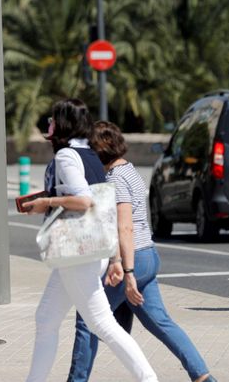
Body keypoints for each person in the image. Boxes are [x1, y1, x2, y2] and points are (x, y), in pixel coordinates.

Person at [67, 121, 215, 382]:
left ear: (99, 152)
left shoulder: (116, 179)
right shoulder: (129, 170)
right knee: (160, 323)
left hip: (132, 259)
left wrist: (128, 272)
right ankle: (203, 377)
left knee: (88, 319)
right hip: (147, 255)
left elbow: (124, 228)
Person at [22, 99, 158, 382]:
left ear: (62, 124)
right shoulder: (92, 156)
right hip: (86, 253)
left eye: (52, 119)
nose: (48, 124)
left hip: (77, 252)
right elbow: (104, 206)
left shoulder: (67, 156)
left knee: (102, 323)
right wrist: (114, 259)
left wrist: (45, 201)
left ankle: (149, 379)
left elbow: (84, 201)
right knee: (46, 319)